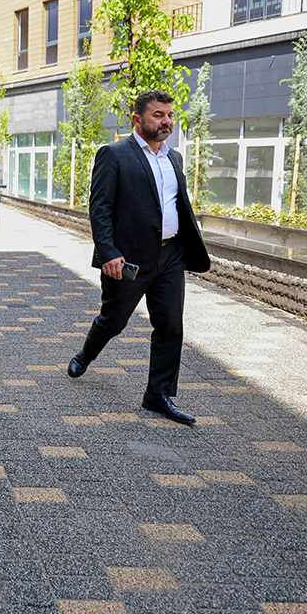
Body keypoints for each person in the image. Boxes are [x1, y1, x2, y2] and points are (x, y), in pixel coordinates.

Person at [67, 89, 211, 425]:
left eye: (170, 116)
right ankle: (86, 354)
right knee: (113, 320)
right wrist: (108, 252)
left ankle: (157, 395)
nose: (166, 122)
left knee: (171, 325)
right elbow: (100, 208)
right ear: (137, 119)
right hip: (128, 259)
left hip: (170, 255)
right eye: (158, 115)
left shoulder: (174, 158)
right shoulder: (114, 154)